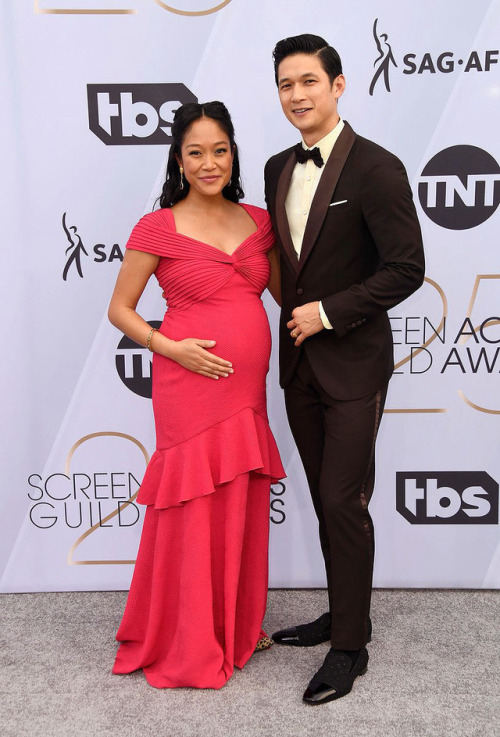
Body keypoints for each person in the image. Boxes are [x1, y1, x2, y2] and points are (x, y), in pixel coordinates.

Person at [264, 34, 425, 704]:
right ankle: (342, 612)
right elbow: (284, 262)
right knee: (327, 501)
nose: (296, 94)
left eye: (308, 81)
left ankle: (350, 645)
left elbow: (406, 270)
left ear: (338, 85)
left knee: (341, 500)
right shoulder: (276, 165)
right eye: (284, 84)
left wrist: (326, 313)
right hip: (298, 366)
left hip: (355, 362)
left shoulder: (378, 168)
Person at [108, 101, 284, 689]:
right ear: (178, 160)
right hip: (188, 384)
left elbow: (286, 296)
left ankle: (233, 625)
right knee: (190, 503)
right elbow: (120, 310)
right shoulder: (156, 227)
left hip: (247, 391)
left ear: (232, 153)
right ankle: (186, 636)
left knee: (237, 499)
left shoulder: (259, 221)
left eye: (219, 150)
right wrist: (169, 346)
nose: (209, 162)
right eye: (195, 152)